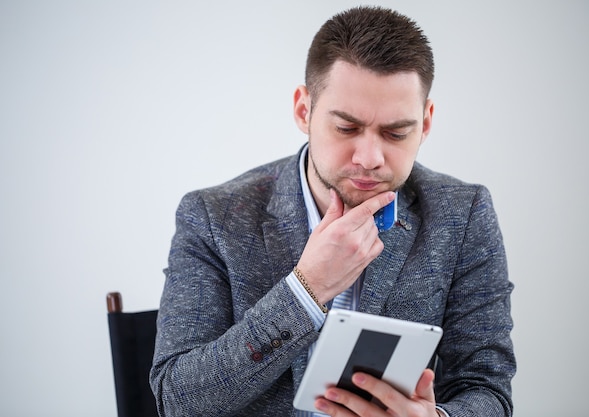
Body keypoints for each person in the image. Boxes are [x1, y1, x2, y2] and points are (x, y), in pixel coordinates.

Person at [150, 6, 515, 417]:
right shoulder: (213, 217)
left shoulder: (462, 215)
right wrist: (307, 289)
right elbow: (178, 400)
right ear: (304, 110)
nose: (370, 157)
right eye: (346, 128)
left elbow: (487, 390)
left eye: (397, 132)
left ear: (426, 123)